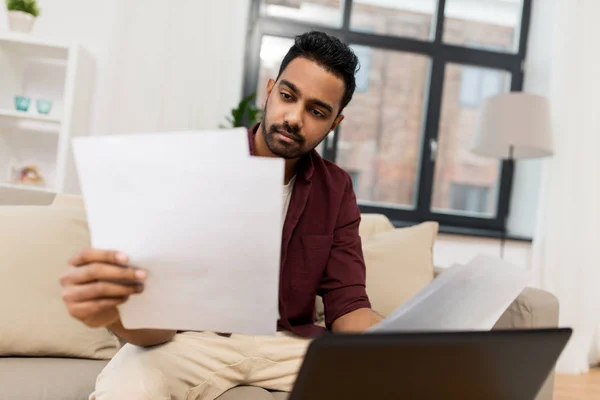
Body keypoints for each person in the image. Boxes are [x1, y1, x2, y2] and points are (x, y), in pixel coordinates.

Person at [59, 30, 383, 400]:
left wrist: (409, 339)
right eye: (288, 96)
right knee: (126, 383)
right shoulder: (202, 164)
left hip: (289, 345)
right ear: (270, 88)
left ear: (334, 123)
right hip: (199, 341)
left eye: (316, 111)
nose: (294, 118)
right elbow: (157, 322)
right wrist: (115, 314)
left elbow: (349, 306)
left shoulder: (336, 189)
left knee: (387, 382)